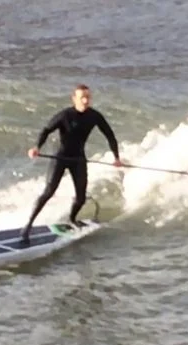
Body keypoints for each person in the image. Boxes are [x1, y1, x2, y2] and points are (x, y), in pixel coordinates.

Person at [21, 84, 123, 243]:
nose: (85, 100)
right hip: (60, 157)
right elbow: (46, 130)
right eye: (82, 97)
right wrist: (36, 147)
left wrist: (116, 158)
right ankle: (28, 225)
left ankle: (72, 219)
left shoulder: (94, 116)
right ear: (74, 99)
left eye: (88, 97)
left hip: (78, 159)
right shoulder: (65, 115)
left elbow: (110, 135)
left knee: (81, 197)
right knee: (49, 191)